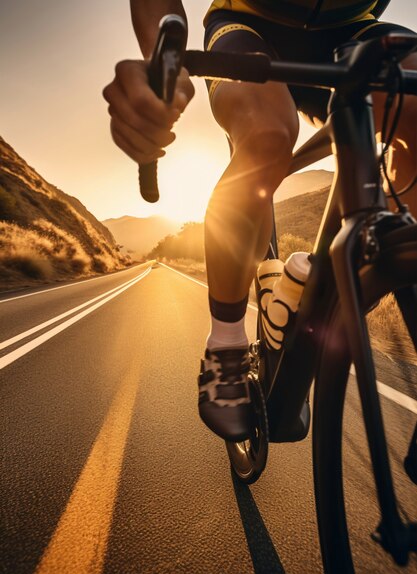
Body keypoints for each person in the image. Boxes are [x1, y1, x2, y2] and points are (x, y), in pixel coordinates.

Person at [103, 1, 417, 442]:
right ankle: (226, 344)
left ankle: (333, 276)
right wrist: (160, 57)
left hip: (354, 29)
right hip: (247, 23)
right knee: (267, 136)